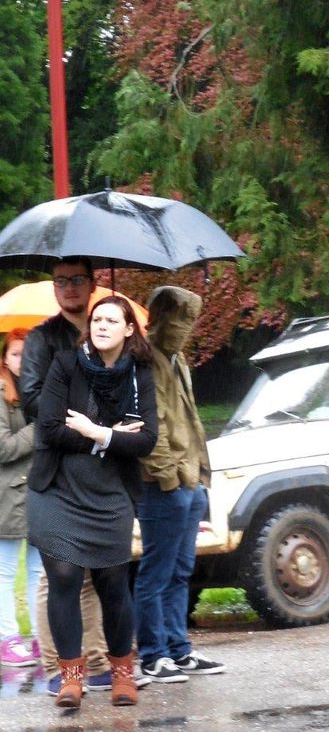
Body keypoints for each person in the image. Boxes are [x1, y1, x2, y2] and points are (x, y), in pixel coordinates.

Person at [27, 295, 157, 708]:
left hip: (110, 494)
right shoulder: (66, 365)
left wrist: (95, 432)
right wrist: (110, 436)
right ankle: (70, 679)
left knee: (113, 583)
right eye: (96, 318)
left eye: (111, 320)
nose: (101, 325)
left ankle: (122, 676)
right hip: (57, 491)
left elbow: (146, 440)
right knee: (64, 577)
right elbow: (49, 429)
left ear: (129, 330)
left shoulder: (139, 373)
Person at [20, 259, 129, 695]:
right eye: (60, 281)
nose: (68, 288)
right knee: (59, 575)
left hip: (105, 476)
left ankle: (101, 663)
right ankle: (57, 670)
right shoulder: (43, 339)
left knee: (103, 573)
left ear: (93, 283)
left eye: (76, 280)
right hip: (59, 471)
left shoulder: (112, 333)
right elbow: (32, 401)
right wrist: (94, 426)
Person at [135, 287, 223, 682]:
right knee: (156, 571)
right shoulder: (143, 360)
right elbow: (150, 426)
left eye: (190, 319)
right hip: (162, 484)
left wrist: (199, 474)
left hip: (188, 480)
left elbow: (189, 421)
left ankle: (178, 650)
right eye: (179, 318)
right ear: (160, 318)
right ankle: (153, 655)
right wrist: (170, 479)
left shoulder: (177, 359)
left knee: (180, 569)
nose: (185, 327)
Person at [0, 329, 42, 668]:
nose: (22, 360)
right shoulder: (1, 393)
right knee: (5, 571)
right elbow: (3, 448)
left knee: (39, 570)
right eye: (16, 354)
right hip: (7, 497)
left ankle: (40, 636)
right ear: (4, 358)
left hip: (39, 493)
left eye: (28, 354)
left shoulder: (35, 391)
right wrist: (37, 427)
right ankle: (7, 639)